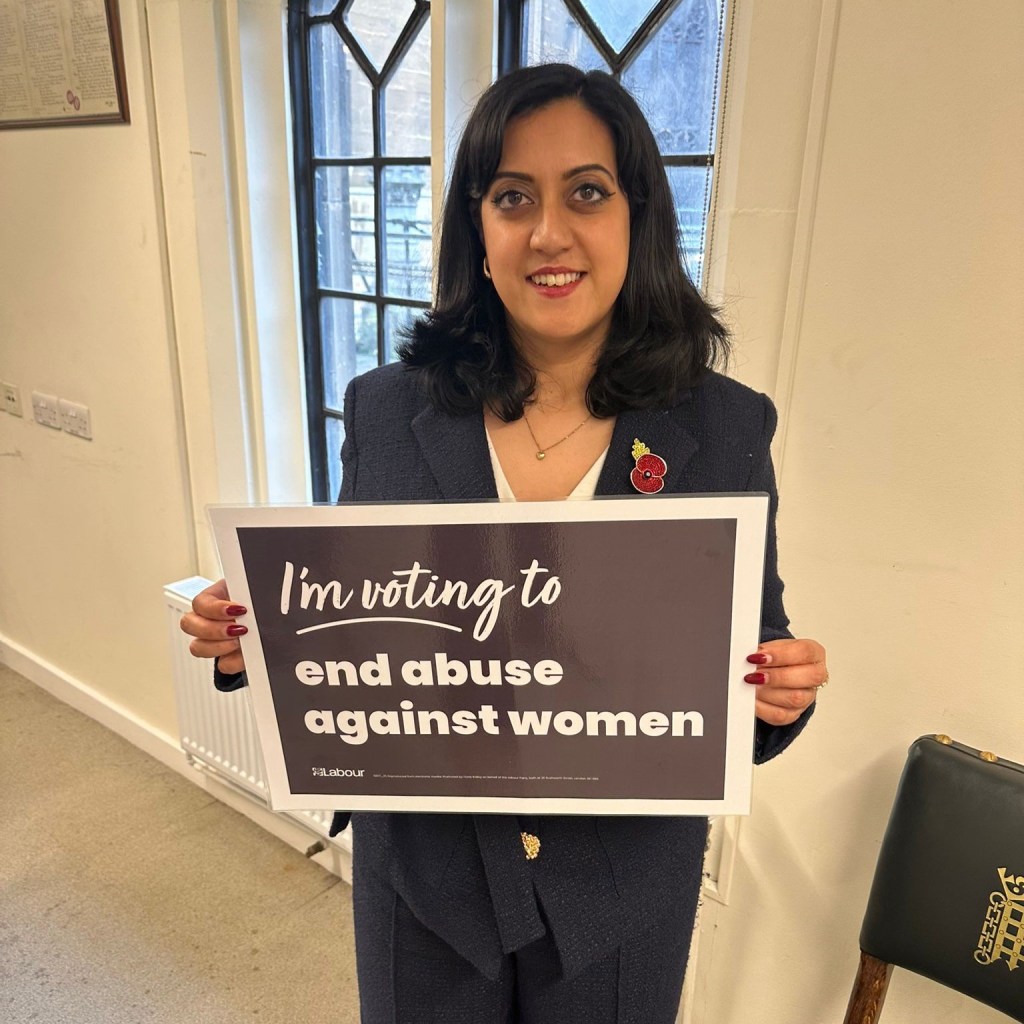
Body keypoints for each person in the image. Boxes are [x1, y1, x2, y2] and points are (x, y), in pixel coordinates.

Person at [180, 63, 828, 1023]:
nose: (549, 233)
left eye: (588, 193)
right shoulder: (386, 410)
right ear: (477, 228)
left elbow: (748, 677)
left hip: (618, 898)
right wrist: (259, 643)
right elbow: (356, 629)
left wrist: (780, 693)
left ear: (635, 218)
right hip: (424, 878)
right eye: (513, 197)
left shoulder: (724, 428)